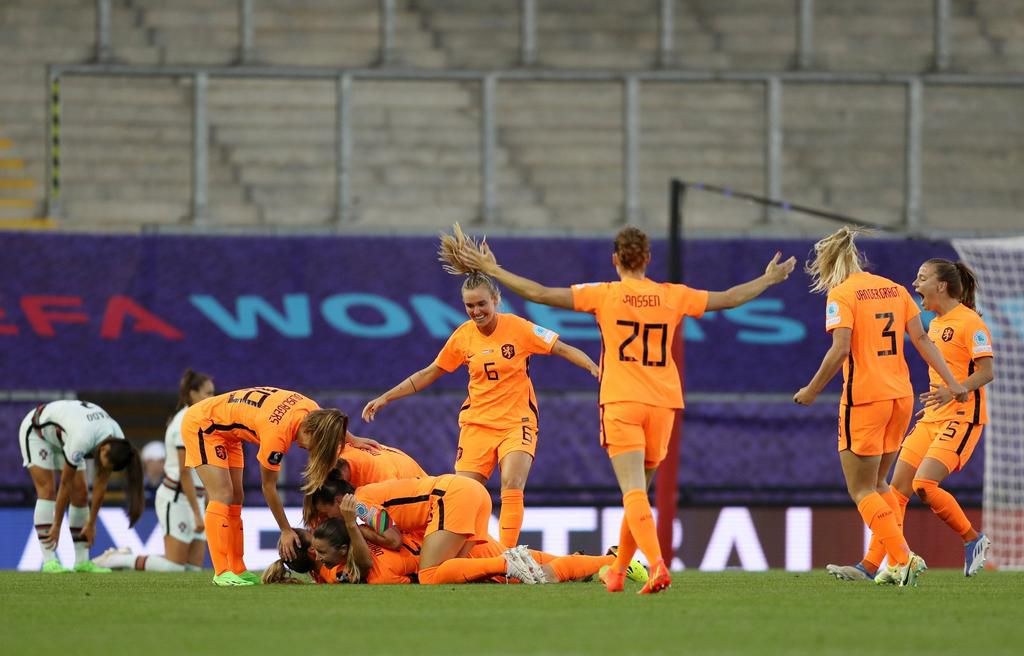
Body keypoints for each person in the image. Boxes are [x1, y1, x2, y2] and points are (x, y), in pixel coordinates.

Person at [444, 224, 795, 594]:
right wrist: (767, 279)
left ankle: (658, 564)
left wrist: (496, 270)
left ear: (615, 260)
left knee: (633, 492)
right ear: (647, 258)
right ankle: (618, 570)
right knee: (641, 489)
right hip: (663, 402)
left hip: (622, 400)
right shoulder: (671, 295)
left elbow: (541, 294)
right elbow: (728, 298)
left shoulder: (605, 294)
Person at [362, 239, 600, 549]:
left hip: (517, 421)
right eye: (470, 306)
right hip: (477, 425)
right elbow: (429, 372)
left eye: (481, 304)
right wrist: (386, 397)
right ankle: (466, 555)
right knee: (464, 495)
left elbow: (563, 347)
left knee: (512, 484)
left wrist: (594, 368)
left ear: (496, 300)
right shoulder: (462, 337)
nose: (476, 311)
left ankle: (510, 557)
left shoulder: (520, 329)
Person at [793, 228, 967, 587]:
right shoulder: (895, 289)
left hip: (865, 398)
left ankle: (903, 559)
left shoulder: (841, 295)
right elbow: (921, 339)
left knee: (861, 489)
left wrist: (811, 390)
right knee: (880, 484)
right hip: (900, 397)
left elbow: (840, 349)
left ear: (831, 267)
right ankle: (878, 563)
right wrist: (952, 382)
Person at [826, 258, 994, 581]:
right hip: (931, 418)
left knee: (923, 484)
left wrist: (953, 391)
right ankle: (872, 566)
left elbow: (987, 371)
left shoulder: (971, 323)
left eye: (922, 279)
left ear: (941, 286)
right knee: (896, 489)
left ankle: (973, 539)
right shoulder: (932, 324)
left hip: (961, 418)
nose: (915, 285)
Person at [180, 386, 378, 587]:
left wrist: (352, 440)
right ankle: (222, 572)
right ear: (309, 430)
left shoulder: (311, 410)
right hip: (204, 425)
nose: (308, 448)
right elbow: (268, 487)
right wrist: (285, 530)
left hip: (227, 432)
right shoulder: (277, 436)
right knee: (222, 494)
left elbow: (329, 423)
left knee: (236, 497)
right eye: (313, 443)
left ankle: (237, 569)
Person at [95, 369, 216, 572]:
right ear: (192, 393)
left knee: (193, 570)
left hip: (197, 497)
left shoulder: (203, 421)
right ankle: (119, 559)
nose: (212, 398)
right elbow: (184, 472)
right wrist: (197, 512)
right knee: (174, 567)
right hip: (176, 498)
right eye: (208, 393)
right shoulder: (184, 423)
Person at [18, 399, 144, 573]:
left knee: (81, 495)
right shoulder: (83, 439)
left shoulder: (118, 443)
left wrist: (91, 523)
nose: (101, 466)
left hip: (64, 437)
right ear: (104, 449)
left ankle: (82, 562)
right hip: (37, 432)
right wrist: (56, 525)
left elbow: (100, 486)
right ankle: (49, 562)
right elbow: (65, 483)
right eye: (103, 461)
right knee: (47, 491)